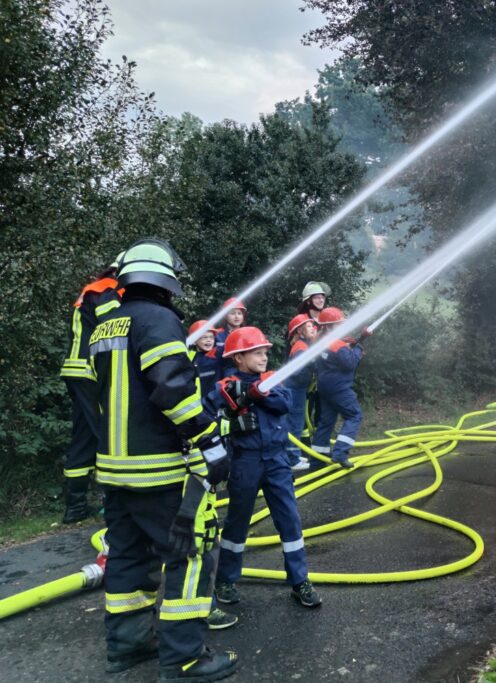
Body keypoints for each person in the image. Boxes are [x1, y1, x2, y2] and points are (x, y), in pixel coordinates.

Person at [89, 238, 237, 680]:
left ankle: (128, 644)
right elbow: (172, 387)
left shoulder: (105, 326)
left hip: (114, 471)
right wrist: (209, 437)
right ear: (165, 281)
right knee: (189, 555)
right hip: (158, 470)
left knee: (129, 557)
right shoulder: (158, 320)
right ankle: (185, 657)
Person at [207, 327, 322, 610]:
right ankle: (225, 580)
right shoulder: (222, 388)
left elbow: (283, 404)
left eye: (265, 352)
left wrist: (253, 392)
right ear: (238, 358)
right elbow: (203, 419)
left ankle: (299, 581)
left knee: (290, 520)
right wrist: (231, 424)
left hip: (277, 461)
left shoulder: (272, 380)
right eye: (257, 353)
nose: (263, 357)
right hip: (245, 462)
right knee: (237, 522)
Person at [58, 253, 123, 523]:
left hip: (76, 370)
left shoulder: (91, 290)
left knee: (84, 435)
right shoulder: (109, 290)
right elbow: (114, 330)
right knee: (107, 432)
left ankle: (75, 507)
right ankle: (116, 502)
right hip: (90, 371)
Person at [310, 307, 368, 468]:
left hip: (324, 386)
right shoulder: (337, 344)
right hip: (339, 387)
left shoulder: (321, 341)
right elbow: (349, 363)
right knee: (354, 415)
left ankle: (317, 459)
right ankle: (340, 453)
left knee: (326, 421)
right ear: (329, 326)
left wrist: (358, 341)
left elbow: (338, 358)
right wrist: (358, 350)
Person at [284, 313, 318, 471]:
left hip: (298, 389)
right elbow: (298, 371)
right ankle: (292, 459)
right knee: (295, 424)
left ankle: (294, 455)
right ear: (300, 332)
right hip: (295, 390)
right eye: (309, 326)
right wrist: (312, 369)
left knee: (295, 423)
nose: (314, 328)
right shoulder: (300, 347)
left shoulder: (304, 345)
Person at [214, 298, 247, 379]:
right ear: (225, 316)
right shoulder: (217, 334)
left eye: (239, 313)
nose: (236, 316)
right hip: (220, 375)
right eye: (232, 313)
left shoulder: (248, 334)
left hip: (245, 373)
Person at [188, 320, 219, 399]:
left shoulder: (218, 354)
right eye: (204, 337)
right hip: (196, 402)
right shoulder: (189, 357)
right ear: (194, 341)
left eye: (211, 337)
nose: (209, 340)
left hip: (215, 401)